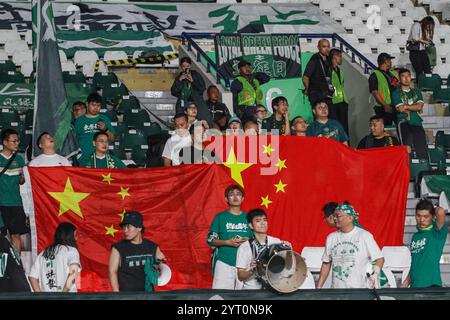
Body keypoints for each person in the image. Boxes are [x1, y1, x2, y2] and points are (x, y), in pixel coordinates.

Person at [317, 202, 384, 289]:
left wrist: (375, 274)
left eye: (338, 216)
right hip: (336, 291)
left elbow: (379, 258)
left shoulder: (364, 235)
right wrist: (318, 288)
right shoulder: (331, 238)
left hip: (359, 290)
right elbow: (326, 263)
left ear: (350, 218)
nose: (334, 218)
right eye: (334, 216)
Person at [207, 185, 253, 289]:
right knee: (221, 295)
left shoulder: (249, 217)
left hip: (245, 264)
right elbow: (210, 239)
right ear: (226, 199)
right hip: (224, 262)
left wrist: (247, 240)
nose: (235, 197)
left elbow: (256, 239)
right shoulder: (220, 217)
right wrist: (227, 242)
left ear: (243, 198)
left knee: (244, 297)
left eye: (238, 194)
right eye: (231, 195)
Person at [109, 211, 167, 292]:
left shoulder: (152, 247)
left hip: (149, 296)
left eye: (128, 226)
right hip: (127, 297)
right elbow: (112, 271)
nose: (125, 230)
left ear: (139, 227)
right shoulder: (117, 248)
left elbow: (164, 267)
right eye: (124, 227)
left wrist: (157, 267)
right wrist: (117, 295)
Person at [236, 208, 291, 289]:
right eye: (258, 221)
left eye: (265, 220)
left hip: (273, 288)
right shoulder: (244, 247)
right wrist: (253, 270)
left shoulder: (276, 242)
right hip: (252, 290)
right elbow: (240, 276)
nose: (263, 223)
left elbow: (287, 266)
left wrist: (289, 252)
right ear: (251, 225)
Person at [401, 199, 447, 288]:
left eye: (426, 216)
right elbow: (416, 263)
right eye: (418, 216)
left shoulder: (436, 232)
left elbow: (440, 211)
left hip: (431, 285)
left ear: (433, 216)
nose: (421, 219)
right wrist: (407, 281)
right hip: (415, 286)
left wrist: (432, 207)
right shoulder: (415, 236)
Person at [28, 222, 81, 292]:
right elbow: (73, 272)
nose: (76, 239)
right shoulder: (71, 250)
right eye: (74, 235)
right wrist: (63, 295)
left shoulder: (44, 253)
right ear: (69, 236)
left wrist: (40, 296)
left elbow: (32, 277)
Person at [0, 129, 29, 253]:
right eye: (14, 141)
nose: (17, 143)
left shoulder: (20, 160)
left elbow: (21, 182)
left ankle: (17, 265)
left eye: (18, 141)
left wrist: (22, 176)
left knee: (16, 236)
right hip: (1, 203)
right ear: (5, 142)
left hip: (16, 203)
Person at [392, 68, 428, 159]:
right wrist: (414, 107)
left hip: (417, 123)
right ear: (399, 79)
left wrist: (406, 106)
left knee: (422, 149)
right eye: (403, 76)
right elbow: (400, 109)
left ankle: (423, 169)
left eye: (408, 76)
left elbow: (419, 107)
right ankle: (409, 171)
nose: (406, 78)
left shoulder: (417, 91)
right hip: (404, 123)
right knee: (407, 150)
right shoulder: (396, 93)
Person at [302, 39, 336, 119]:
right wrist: (308, 90)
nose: (327, 49)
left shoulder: (328, 59)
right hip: (317, 94)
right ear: (318, 47)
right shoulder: (315, 59)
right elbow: (305, 77)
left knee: (331, 119)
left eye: (328, 46)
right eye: (324, 47)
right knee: (319, 118)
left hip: (327, 94)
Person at [74, 92, 115, 157]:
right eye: (93, 105)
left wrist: (106, 129)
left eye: (98, 105)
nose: (95, 108)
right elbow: (74, 141)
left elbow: (112, 139)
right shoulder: (79, 121)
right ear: (87, 104)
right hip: (84, 158)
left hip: (102, 157)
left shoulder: (104, 119)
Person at [368, 53, 399, 126]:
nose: (391, 62)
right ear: (385, 61)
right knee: (385, 129)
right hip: (382, 108)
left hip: (395, 106)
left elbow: (396, 84)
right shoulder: (375, 75)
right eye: (389, 60)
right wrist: (385, 105)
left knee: (399, 128)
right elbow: (375, 93)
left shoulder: (392, 73)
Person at [329, 48, 349, 135]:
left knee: (344, 127)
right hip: (333, 102)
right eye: (340, 56)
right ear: (334, 57)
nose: (341, 59)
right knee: (336, 128)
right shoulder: (328, 70)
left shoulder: (341, 71)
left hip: (343, 102)